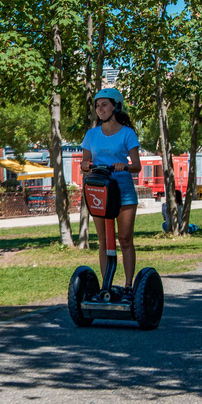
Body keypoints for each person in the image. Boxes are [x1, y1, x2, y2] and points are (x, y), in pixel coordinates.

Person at [80, 88, 142, 298]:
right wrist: (85, 165)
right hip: (100, 192)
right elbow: (85, 163)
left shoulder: (127, 133)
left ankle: (128, 286)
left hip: (123, 191)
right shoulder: (91, 135)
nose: (100, 109)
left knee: (124, 239)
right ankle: (106, 287)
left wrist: (125, 166)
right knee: (104, 240)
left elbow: (137, 166)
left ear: (116, 106)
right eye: (97, 106)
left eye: (104, 104)